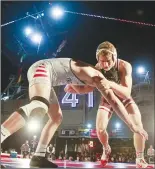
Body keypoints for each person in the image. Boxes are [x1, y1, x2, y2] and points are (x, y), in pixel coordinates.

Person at [1, 57, 148, 168]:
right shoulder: (98, 78)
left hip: (49, 75)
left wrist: (72, 87)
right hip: (42, 68)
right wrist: (131, 125)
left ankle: (38, 156)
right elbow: (114, 102)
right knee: (39, 106)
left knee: (56, 117)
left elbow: (80, 86)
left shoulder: (94, 75)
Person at [64, 42, 149, 168]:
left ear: (114, 57)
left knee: (137, 125)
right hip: (107, 98)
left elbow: (126, 93)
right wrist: (73, 86)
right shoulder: (97, 68)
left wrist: (107, 82)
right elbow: (87, 89)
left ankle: (140, 158)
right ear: (98, 58)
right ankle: (106, 148)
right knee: (100, 128)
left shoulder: (124, 66)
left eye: (108, 61)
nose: (105, 64)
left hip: (122, 96)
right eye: (102, 61)